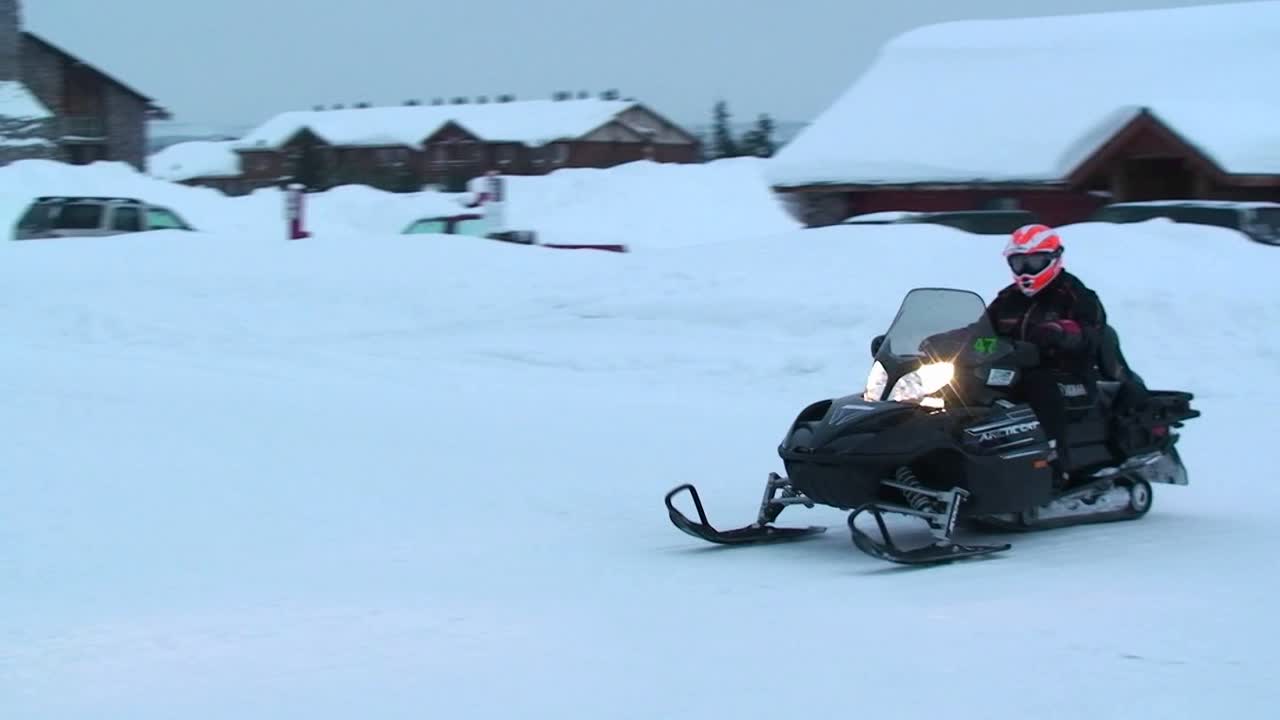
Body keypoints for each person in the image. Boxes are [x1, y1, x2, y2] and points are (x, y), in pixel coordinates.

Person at [986, 223, 1107, 486]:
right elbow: (983, 331)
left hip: (1071, 377)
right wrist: (949, 339)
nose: (1026, 271)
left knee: (1038, 384)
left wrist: (1064, 332)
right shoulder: (1007, 299)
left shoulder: (1076, 295)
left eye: (1034, 262)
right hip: (1014, 372)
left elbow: (1092, 333)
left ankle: (1054, 461)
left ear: (1054, 259)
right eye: (1020, 263)